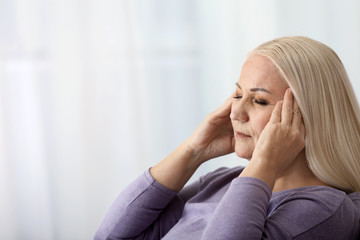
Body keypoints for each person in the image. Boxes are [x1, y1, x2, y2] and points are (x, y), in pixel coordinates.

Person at [94, 36, 360, 240]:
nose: (236, 112)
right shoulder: (221, 182)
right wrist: (193, 151)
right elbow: (113, 236)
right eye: (236, 95)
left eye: (258, 100)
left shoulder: (325, 209)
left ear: (304, 117)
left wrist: (265, 162)